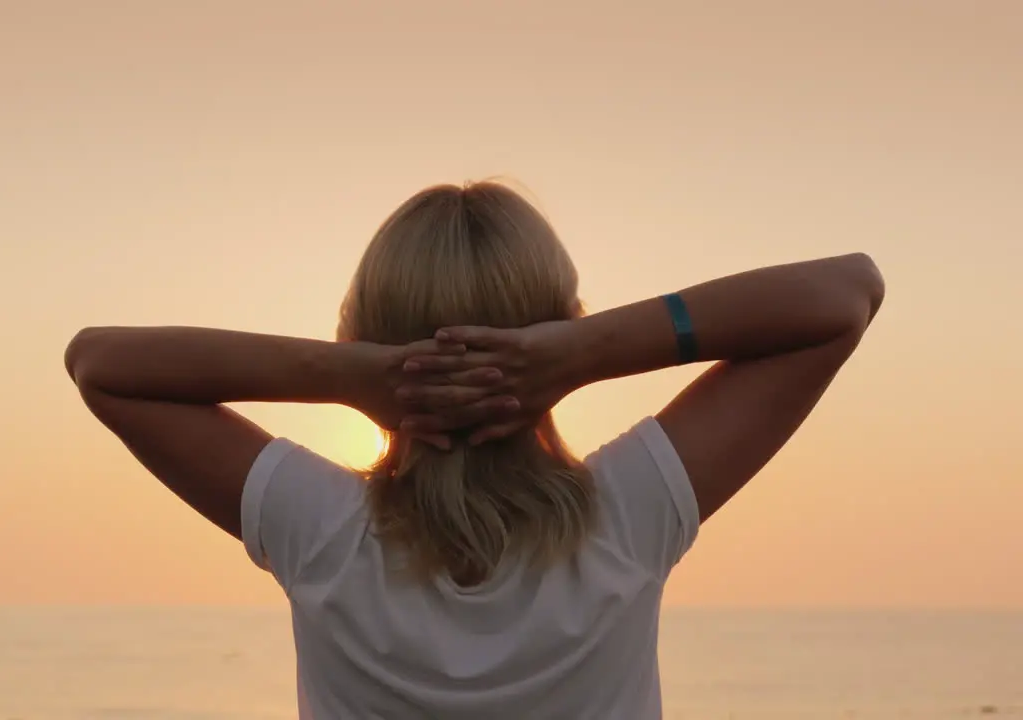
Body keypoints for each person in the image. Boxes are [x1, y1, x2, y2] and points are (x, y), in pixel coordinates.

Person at [64, 181, 885, 719]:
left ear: (359, 336)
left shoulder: (319, 531)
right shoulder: (627, 517)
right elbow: (846, 294)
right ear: (562, 324)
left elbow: (100, 363)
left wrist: (342, 373)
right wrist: (587, 351)